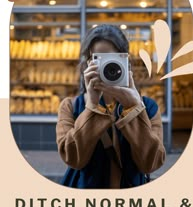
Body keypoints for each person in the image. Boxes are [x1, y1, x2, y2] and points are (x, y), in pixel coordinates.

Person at [56, 24, 166, 188]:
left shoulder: (148, 107)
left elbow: (151, 163)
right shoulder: (71, 107)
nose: (108, 68)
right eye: (99, 60)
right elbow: (73, 159)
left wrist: (133, 107)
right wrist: (92, 106)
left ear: (126, 61)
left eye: (113, 60)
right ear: (88, 63)